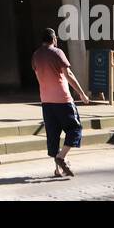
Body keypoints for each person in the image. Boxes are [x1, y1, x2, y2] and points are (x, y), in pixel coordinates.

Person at [32, 27, 90, 177]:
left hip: (45, 101)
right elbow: (68, 74)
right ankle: (61, 157)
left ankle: (58, 169)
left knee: (53, 135)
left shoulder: (36, 55)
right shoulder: (57, 52)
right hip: (63, 100)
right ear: (54, 39)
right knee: (75, 129)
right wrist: (81, 93)